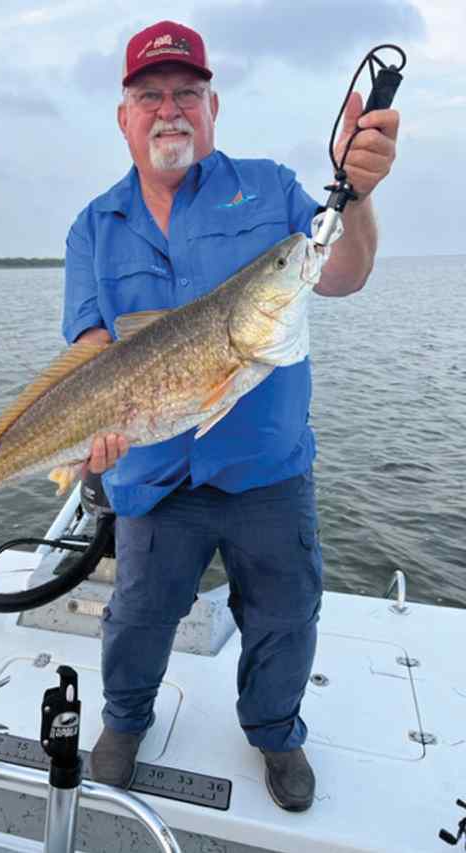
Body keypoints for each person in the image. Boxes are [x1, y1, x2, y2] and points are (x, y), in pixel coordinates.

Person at [62, 21, 399, 812]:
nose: (169, 110)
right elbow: (90, 349)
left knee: (285, 616)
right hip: (151, 475)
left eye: (187, 93)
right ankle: (125, 720)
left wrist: (360, 198)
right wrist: (90, 428)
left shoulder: (272, 189)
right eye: (150, 96)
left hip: (267, 474)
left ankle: (275, 729)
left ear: (213, 108)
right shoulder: (93, 226)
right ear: (124, 117)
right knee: (136, 617)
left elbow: (340, 272)